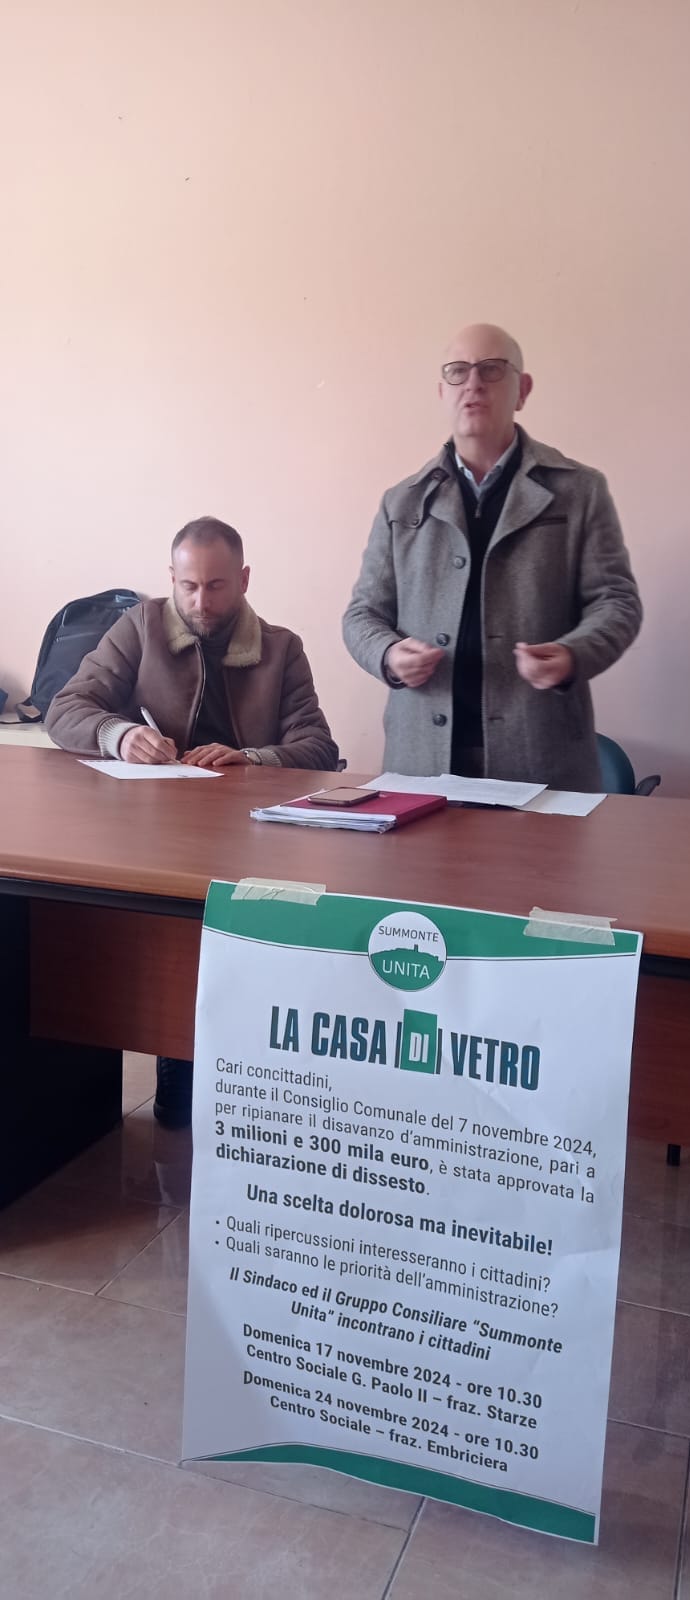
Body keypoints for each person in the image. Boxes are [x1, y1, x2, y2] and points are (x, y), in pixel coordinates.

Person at [47, 515, 338, 1127]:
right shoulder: (141, 627)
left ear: (244, 579)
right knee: (151, 943)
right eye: (189, 586)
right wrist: (118, 734)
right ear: (171, 579)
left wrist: (252, 757)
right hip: (158, 832)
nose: (201, 602)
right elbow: (66, 708)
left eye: (217, 586)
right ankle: (175, 1059)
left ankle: (246, 1078)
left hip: (250, 836)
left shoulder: (282, 648)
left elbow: (317, 747)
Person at [343, 324, 642, 791]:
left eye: (491, 369)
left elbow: (616, 601)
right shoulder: (401, 501)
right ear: (442, 392)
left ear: (523, 390)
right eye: (458, 372)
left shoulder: (579, 490)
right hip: (421, 761)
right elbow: (363, 614)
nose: (473, 384)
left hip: (542, 758)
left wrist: (573, 654)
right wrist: (387, 654)